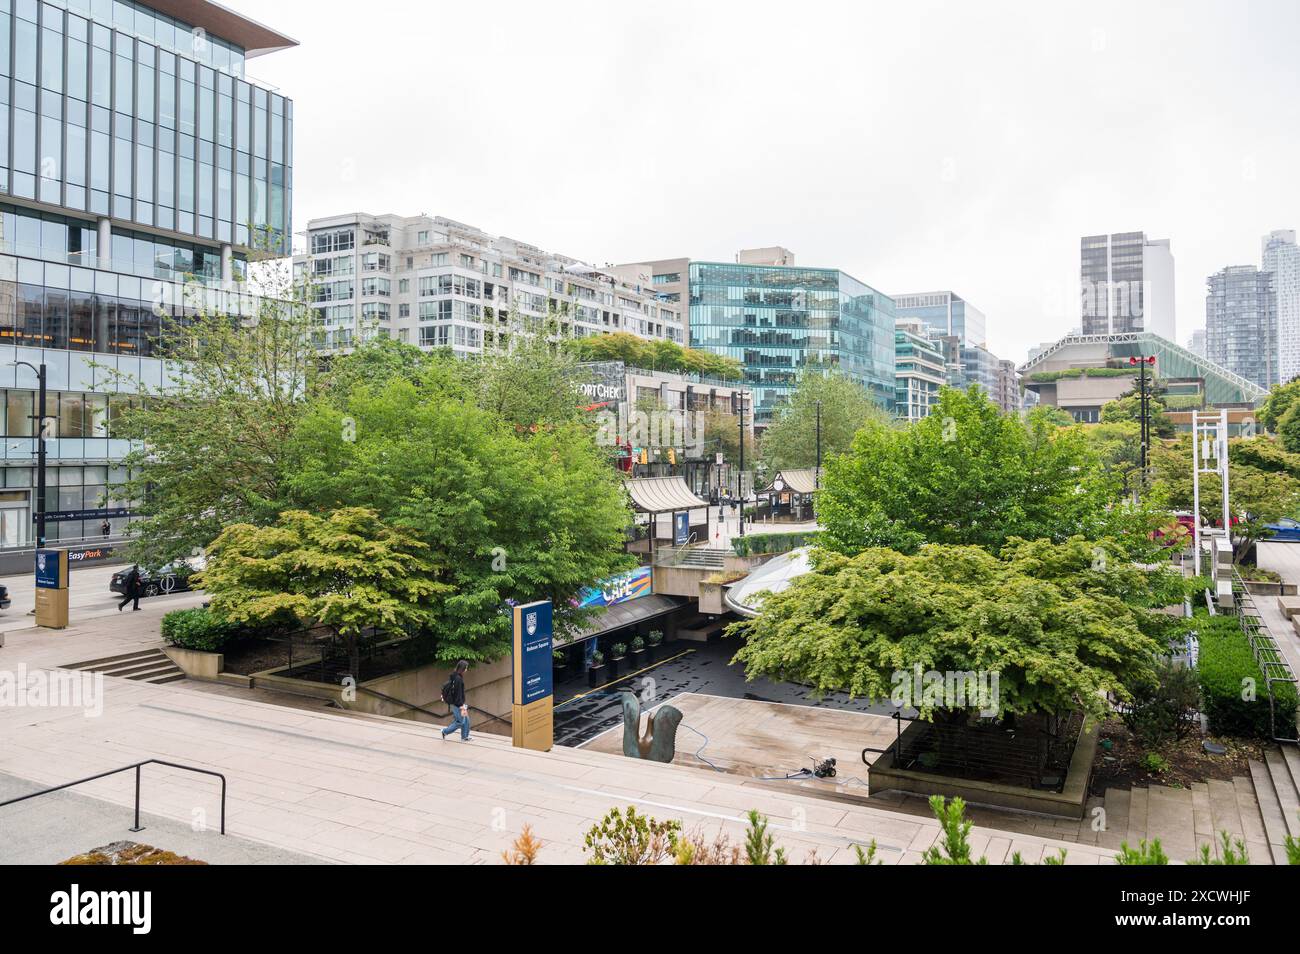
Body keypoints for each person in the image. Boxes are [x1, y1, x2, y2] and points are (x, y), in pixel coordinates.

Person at [440, 660, 471, 742]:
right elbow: (457, 693)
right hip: (457, 704)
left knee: (466, 720)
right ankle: (444, 731)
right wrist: (461, 705)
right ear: (462, 668)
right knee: (460, 722)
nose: (466, 670)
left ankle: (464, 737)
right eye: (466, 668)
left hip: (459, 703)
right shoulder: (458, 679)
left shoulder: (456, 676)